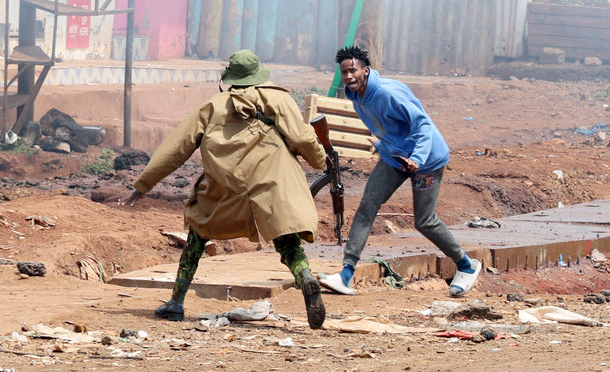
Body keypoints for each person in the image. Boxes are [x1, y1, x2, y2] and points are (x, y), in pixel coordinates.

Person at [119, 49, 327, 329]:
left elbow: (175, 148)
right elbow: (303, 137)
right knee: (288, 243)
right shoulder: (280, 99)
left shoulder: (212, 107)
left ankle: (176, 302)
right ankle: (306, 279)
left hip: (226, 187)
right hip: (273, 181)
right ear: (259, 74)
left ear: (230, 77)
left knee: (197, 235)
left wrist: (143, 185)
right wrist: (319, 160)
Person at [319, 46, 481, 297]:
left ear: (366, 70)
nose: (349, 76)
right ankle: (346, 275)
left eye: (353, 70)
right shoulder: (356, 95)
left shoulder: (386, 93)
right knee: (367, 206)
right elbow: (393, 126)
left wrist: (417, 158)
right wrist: (384, 143)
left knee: (424, 221)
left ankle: (466, 266)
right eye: (344, 72)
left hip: (426, 160)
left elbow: (423, 126)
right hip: (395, 157)